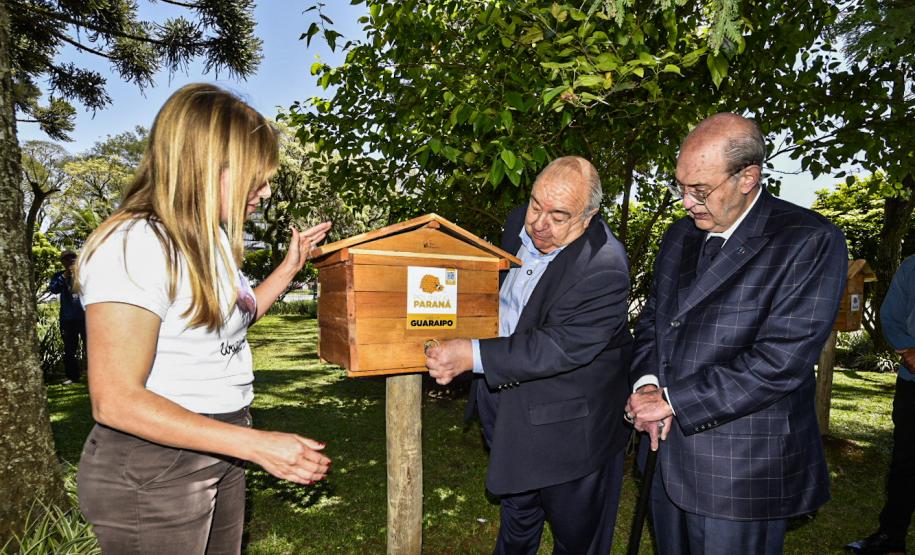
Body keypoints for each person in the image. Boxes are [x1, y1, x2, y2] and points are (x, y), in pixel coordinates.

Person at [75, 83, 332, 554]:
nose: (266, 192)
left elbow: (231, 320)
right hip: (155, 462)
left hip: (220, 444)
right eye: (257, 178)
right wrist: (255, 446)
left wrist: (291, 266)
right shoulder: (136, 244)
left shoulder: (208, 241)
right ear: (205, 165)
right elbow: (114, 400)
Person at [626, 113, 848, 554]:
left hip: (741, 472)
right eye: (681, 188)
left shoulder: (807, 241)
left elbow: (779, 362)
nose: (687, 202)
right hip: (664, 452)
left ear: (748, 177)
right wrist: (646, 383)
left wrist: (670, 402)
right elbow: (653, 321)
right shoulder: (678, 237)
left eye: (700, 190)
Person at [425, 156, 632, 554]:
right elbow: (502, 297)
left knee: (576, 539)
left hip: (568, 433)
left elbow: (556, 345)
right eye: (537, 205)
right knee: (518, 519)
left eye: (558, 216)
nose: (538, 224)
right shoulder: (517, 221)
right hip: (506, 410)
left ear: (588, 218)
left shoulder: (604, 267)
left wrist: (474, 354)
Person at [846, 256, 915, 554]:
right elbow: (891, 315)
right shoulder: (912, 266)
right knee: (906, 463)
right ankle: (891, 538)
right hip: (914, 383)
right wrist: (909, 350)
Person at [48, 250, 86, 384]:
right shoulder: (58, 276)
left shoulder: (84, 274)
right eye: (67, 259)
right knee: (69, 350)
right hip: (68, 318)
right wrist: (65, 276)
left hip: (85, 317)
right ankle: (72, 376)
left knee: (91, 347)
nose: (70, 262)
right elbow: (54, 289)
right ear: (62, 262)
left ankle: (96, 375)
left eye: (73, 259)